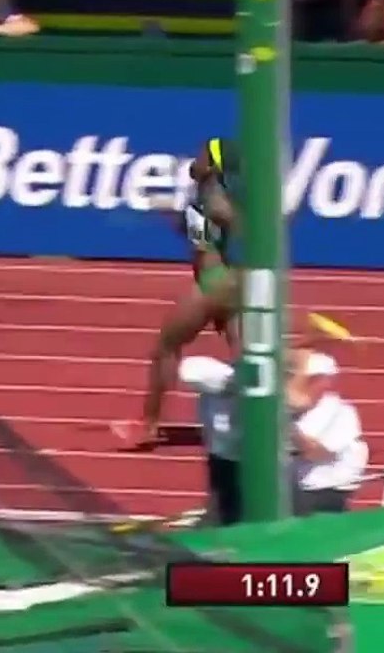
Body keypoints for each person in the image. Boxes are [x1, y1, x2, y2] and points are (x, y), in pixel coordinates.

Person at [115, 138, 241, 450]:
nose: (194, 160)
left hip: (215, 284)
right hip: (227, 283)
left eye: (201, 155)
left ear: (213, 164)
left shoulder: (217, 197)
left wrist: (224, 217)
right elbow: (202, 236)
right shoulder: (209, 193)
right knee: (248, 360)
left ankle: (149, 425)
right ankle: (274, 430)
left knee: (166, 347)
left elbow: (225, 221)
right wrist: (172, 214)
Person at [287, 351, 366, 515]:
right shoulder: (295, 410)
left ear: (326, 382)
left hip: (324, 488)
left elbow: (316, 453)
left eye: (311, 381)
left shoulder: (339, 412)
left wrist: (285, 423)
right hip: (294, 487)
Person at [179, 356, 242, 526]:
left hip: (249, 461)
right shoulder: (218, 381)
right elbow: (188, 370)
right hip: (222, 459)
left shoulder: (252, 395)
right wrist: (230, 379)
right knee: (224, 509)